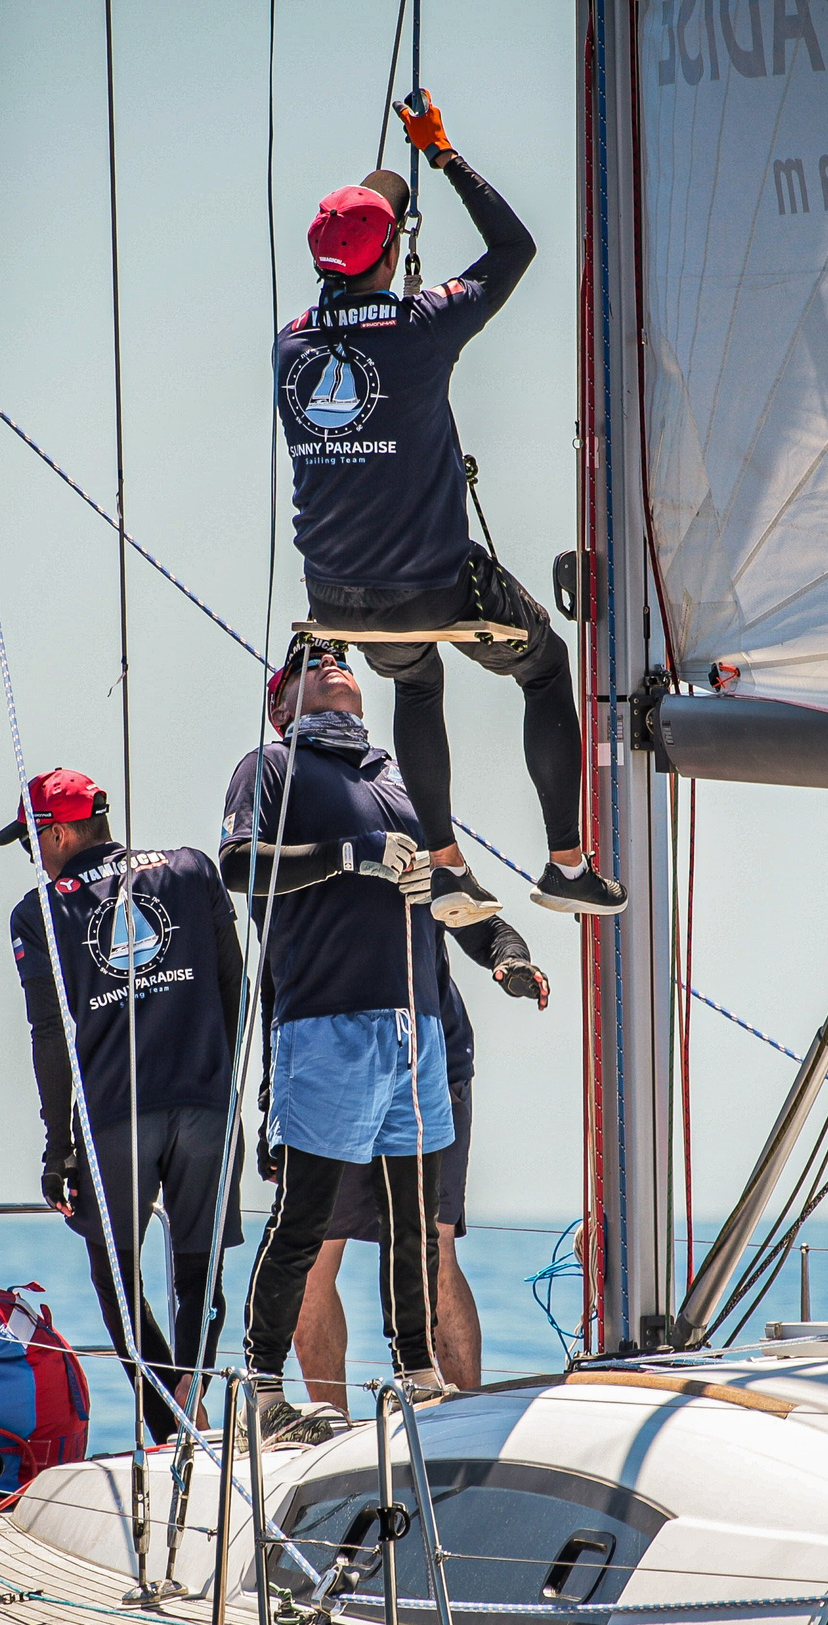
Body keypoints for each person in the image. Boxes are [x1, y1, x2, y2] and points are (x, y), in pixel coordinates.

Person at [279, 89, 624, 925]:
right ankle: (565, 862)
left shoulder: (290, 344)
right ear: (394, 253)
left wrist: (385, 198)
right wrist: (441, 152)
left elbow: (368, 249)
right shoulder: (422, 326)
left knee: (418, 682)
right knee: (543, 666)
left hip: (337, 604)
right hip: (437, 587)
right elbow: (515, 244)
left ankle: (445, 866)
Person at [220, 642, 453, 1441]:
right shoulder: (270, 765)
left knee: (412, 1216)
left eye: (341, 654)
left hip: (412, 1027)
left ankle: (419, 1374)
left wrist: (486, 933)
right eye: (312, 661)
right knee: (306, 1217)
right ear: (282, 703)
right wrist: (346, 857)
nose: (333, 657)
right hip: (325, 1025)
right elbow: (238, 864)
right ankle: (260, 1389)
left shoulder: (394, 776)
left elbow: (447, 888)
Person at [0, 768, 244, 1445]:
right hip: (206, 1104)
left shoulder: (38, 911)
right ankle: (191, 1399)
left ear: (62, 830)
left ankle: (167, 1422)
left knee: (114, 1274)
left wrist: (58, 1148)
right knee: (200, 1270)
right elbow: (233, 982)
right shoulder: (193, 870)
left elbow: (49, 1035)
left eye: (32, 840)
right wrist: (222, 1078)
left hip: (114, 1118)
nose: (34, 855)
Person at [291, 913, 545, 1411]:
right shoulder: (309, 860)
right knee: (314, 1256)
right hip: (332, 1069)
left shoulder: (420, 842)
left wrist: (512, 960)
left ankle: (464, 1415)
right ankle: (331, 1427)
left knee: (436, 1247)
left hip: (433, 1064)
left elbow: (483, 925)